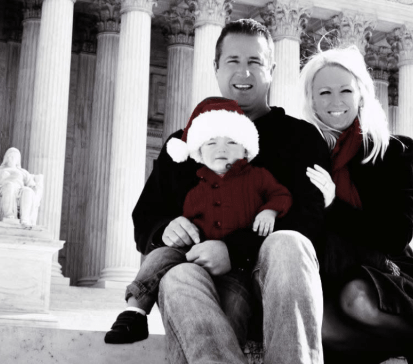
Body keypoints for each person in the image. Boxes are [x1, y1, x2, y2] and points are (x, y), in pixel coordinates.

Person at [132, 18, 331, 363]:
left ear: (271, 68)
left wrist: (234, 251)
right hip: (203, 285)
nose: (245, 72)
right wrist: (166, 229)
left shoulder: (300, 139)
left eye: (255, 62)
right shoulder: (183, 144)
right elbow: (145, 218)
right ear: (216, 68)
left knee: (289, 243)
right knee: (177, 276)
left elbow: (309, 220)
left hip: (280, 283)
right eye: (233, 62)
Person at [300, 47, 413, 364]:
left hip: (389, 274)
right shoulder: (305, 156)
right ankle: (394, 347)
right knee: (320, 329)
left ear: (361, 94)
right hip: (329, 273)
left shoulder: (394, 151)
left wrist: (334, 204)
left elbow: (396, 234)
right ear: (312, 100)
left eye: (346, 90)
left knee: (357, 299)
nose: (336, 101)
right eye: (325, 92)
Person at [106, 96, 292, 344]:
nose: (221, 148)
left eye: (232, 142)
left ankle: (228, 356)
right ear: (199, 153)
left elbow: (281, 195)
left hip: (237, 268)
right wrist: (172, 230)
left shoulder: (258, 177)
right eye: (211, 142)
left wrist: (269, 211)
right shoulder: (195, 188)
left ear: (246, 149)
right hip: (191, 255)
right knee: (159, 256)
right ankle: (135, 311)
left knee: (234, 305)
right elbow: (169, 219)